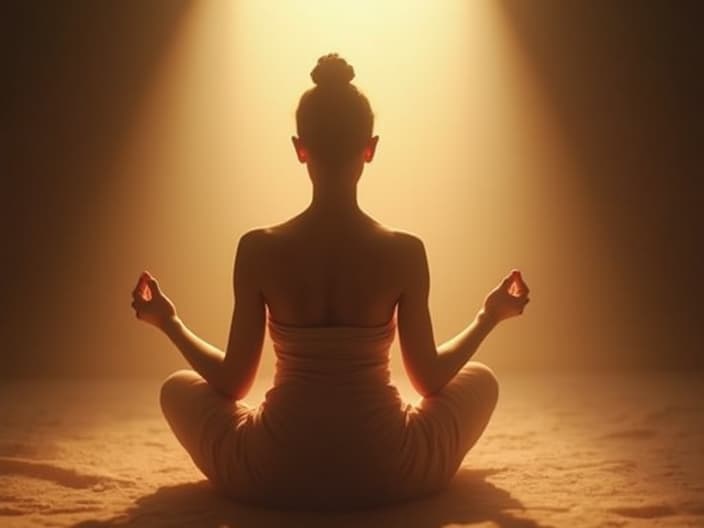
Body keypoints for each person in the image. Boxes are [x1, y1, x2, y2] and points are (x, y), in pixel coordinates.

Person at [130, 53, 530, 510]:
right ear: (370, 147)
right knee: (483, 380)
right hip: (390, 470)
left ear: (300, 148)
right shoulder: (404, 251)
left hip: (272, 471)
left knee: (175, 388)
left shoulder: (258, 248)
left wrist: (169, 321)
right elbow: (431, 381)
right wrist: (489, 316)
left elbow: (232, 384)